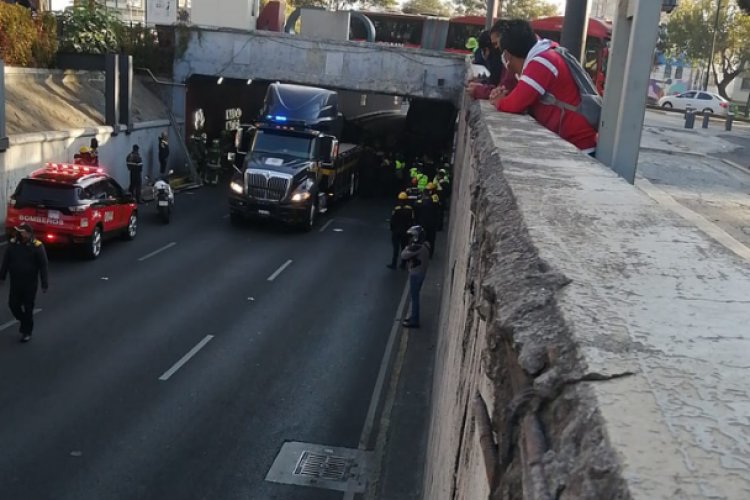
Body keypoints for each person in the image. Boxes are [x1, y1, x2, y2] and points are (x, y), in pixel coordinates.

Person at [489, 19, 597, 154]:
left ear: (507, 56)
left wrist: (499, 101)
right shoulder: (546, 53)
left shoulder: (542, 61)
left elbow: (515, 104)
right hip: (574, 144)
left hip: (580, 147)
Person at [0, 224, 49, 343]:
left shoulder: (37, 246)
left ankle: (26, 331)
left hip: (29, 284)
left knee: (28, 307)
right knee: (13, 305)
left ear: (28, 233)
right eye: (19, 231)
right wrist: (2, 276)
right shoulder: (13, 245)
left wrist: (44, 283)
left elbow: (43, 266)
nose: (19, 234)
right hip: (15, 282)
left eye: (22, 232)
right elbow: (6, 260)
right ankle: (24, 321)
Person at [401, 225, 430, 329]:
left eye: (413, 236)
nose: (411, 238)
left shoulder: (418, 247)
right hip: (420, 274)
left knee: (414, 298)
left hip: (416, 274)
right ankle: (412, 316)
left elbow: (404, 255)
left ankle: (414, 319)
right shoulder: (426, 245)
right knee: (414, 297)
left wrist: (407, 247)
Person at [388, 192, 415, 270]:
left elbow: (392, 221)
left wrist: (392, 229)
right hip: (405, 232)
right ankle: (403, 264)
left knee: (395, 248)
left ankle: (394, 263)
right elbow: (412, 220)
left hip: (396, 231)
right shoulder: (410, 209)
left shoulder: (396, 209)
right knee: (404, 248)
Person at [416, 184, 440, 255]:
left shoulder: (432, 198)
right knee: (430, 239)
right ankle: (429, 253)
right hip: (431, 222)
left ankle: (425, 253)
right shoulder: (432, 199)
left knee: (425, 238)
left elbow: (417, 205)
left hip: (425, 222)